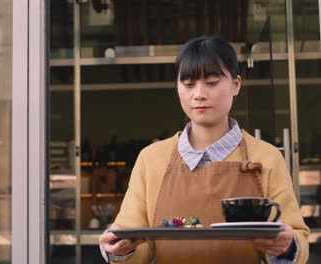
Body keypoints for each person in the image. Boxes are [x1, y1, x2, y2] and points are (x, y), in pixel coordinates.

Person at [98, 35, 309, 264]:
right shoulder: (151, 159)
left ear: (236, 85)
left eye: (211, 82)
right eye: (188, 84)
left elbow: (296, 236)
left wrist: (288, 247)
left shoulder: (267, 157)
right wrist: (119, 249)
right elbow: (137, 243)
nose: (198, 94)